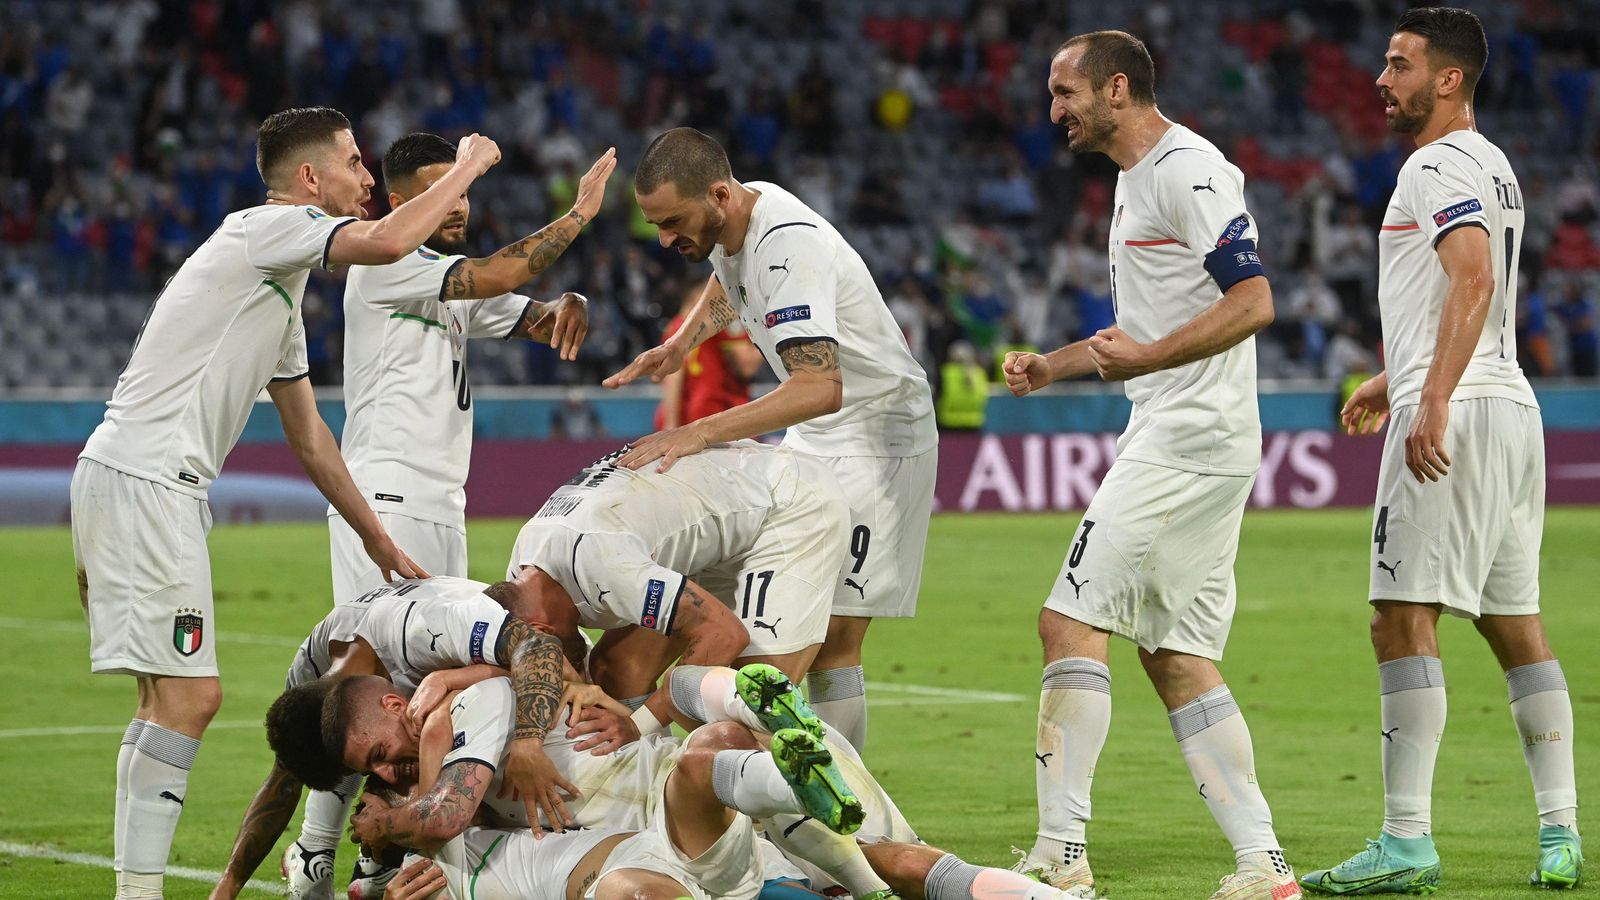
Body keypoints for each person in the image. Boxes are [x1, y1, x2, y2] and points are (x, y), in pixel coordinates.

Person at [69, 105, 499, 900]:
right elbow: (388, 241)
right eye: (355, 163)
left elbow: (311, 441)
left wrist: (375, 540)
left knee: (164, 697)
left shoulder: (277, 288)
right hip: (149, 480)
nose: (368, 179)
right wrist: (468, 166)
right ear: (310, 180)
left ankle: (135, 891)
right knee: (192, 697)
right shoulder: (265, 230)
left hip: (143, 481)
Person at [273, 130, 609, 900]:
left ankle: (384, 860)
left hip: (440, 503)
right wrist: (580, 214)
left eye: (463, 191)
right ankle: (317, 855)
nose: (458, 204)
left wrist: (569, 304)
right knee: (362, 682)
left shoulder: (438, 280)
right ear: (404, 201)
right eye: (443, 189)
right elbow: (501, 270)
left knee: (424, 687)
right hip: (386, 495)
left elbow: (521, 306)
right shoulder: (384, 266)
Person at [1002, 33, 1299, 900]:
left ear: (1117, 88)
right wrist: (1051, 366)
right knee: (1176, 654)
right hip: (1188, 429)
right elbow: (1141, 334)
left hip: (1189, 436)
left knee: (1068, 622)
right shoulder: (1139, 180)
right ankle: (1265, 868)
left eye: (1065, 92)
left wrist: (1153, 359)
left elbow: (1255, 301)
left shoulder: (1187, 170)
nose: (1053, 109)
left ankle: (1062, 856)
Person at [1304, 8, 1581, 893]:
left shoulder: (1433, 163)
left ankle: (1407, 840)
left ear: (1448, 79)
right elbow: (1473, 298)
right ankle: (1560, 834)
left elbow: (1473, 276)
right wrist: (1401, 375)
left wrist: (1429, 395)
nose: (1382, 80)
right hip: (1511, 411)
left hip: (1461, 412)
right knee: (1515, 626)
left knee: (1399, 614)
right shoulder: (1495, 166)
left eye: (1399, 64)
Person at [604, 127, 939, 751]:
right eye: (654, 224)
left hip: (877, 437)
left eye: (673, 220)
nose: (665, 238)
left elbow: (819, 387)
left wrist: (697, 432)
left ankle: (849, 811)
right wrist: (683, 342)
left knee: (834, 633)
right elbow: (729, 280)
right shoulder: (738, 218)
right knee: (774, 603)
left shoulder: (788, 245)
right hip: (815, 434)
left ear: (720, 193)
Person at [211, 576, 568, 899]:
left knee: (440, 769)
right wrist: (228, 887)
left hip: (557, 683)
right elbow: (282, 781)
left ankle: (379, 860)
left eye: (373, 759)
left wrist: (525, 738)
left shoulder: (419, 632)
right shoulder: (312, 670)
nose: (382, 775)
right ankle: (349, 856)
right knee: (415, 752)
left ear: (391, 702)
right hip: (488, 698)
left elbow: (539, 651)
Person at [503, 440, 848, 734]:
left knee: (754, 701)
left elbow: (723, 635)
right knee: (617, 669)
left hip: (786, 503)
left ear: (540, 629)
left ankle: (846, 801)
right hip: (710, 524)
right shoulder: (521, 572)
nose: (556, 678)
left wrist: (638, 725)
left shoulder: (603, 562)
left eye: (549, 670)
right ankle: (650, 788)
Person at [655, 281, 764, 430]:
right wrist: (769, 338)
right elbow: (746, 365)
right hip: (715, 410)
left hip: (692, 414)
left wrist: (670, 423)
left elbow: (672, 377)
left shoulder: (676, 328)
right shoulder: (717, 325)